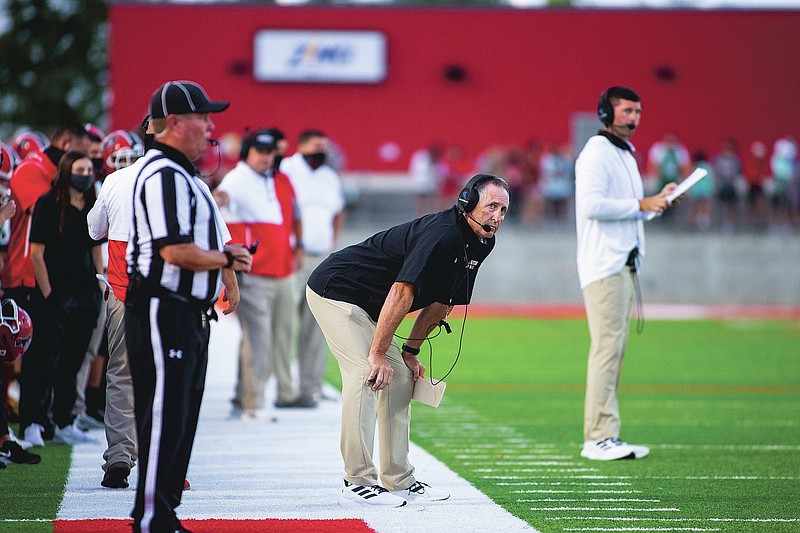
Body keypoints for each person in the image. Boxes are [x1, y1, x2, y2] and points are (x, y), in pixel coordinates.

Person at [306, 173, 509, 506]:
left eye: (503, 210)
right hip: (337, 290)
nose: (497, 217)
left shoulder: (482, 242)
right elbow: (401, 292)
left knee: (400, 377)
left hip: (370, 305)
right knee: (366, 373)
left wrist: (410, 351)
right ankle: (356, 481)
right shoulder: (441, 235)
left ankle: (398, 479)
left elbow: (443, 302)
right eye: (491, 207)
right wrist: (377, 354)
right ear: (467, 202)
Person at [126, 80, 251, 533]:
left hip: (188, 310)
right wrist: (227, 260)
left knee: (180, 415)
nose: (210, 126)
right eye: (202, 117)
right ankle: (154, 516)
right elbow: (172, 250)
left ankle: (161, 511)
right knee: (163, 413)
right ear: (175, 123)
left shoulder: (181, 175)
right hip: (164, 307)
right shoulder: (162, 174)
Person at [575, 86, 677, 461]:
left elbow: (629, 210)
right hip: (605, 265)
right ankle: (598, 436)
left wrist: (656, 203)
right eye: (626, 110)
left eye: (637, 111)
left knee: (614, 352)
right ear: (606, 112)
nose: (633, 117)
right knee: (606, 350)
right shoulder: (596, 152)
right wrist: (641, 203)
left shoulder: (626, 154)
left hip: (623, 263)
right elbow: (591, 205)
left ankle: (607, 434)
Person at [2, 125, 90, 447]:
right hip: (24, 273)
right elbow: (38, 209)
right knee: (32, 355)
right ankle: (28, 422)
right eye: (78, 152)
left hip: (51, 275)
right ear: (65, 144)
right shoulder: (32, 170)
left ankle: (54, 418)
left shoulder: (56, 174)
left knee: (61, 352)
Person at [216, 128, 302, 415]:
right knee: (258, 340)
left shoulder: (268, 180)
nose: (266, 158)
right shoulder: (238, 178)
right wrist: (212, 202)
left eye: (269, 153)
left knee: (272, 338)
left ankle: (246, 397)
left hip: (280, 270)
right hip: (255, 274)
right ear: (246, 154)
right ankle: (254, 403)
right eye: (260, 152)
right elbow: (222, 196)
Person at [87, 120, 152, 489]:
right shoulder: (182, 179)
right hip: (168, 295)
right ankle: (163, 458)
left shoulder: (114, 181)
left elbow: (94, 229)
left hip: (123, 290)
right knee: (166, 377)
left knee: (121, 374)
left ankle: (119, 455)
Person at [29, 151, 103, 445]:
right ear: (66, 171)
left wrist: (99, 286)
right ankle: (34, 421)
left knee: (73, 361)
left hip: (85, 294)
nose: (85, 174)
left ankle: (64, 419)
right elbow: (36, 253)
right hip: (56, 293)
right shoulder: (48, 203)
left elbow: (97, 248)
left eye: (88, 169)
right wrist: (48, 294)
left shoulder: (93, 204)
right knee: (45, 360)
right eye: (79, 168)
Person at [280, 129, 345, 408]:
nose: (322, 151)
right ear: (302, 145)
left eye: (325, 146)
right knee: (283, 321)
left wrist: (332, 241)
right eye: (317, 145)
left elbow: (338, 210)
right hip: (294, 253)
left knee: (316, 323)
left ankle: (311, 387)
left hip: (321, 255)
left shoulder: (329, 176)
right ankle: (282, 387)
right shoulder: (286, 170)